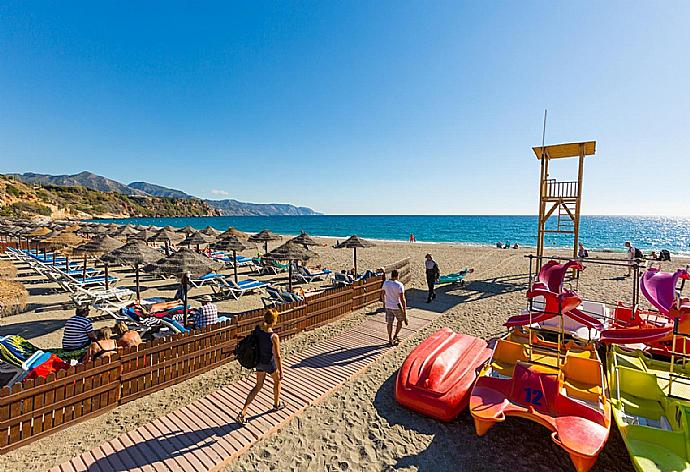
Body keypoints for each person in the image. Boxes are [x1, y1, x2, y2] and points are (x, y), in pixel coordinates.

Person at [237, 310, 285, 423]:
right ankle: (276, 404)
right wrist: (281, 370)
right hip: (269, 363)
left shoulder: (258, 329)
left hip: (258, 362)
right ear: (274, 321)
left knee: (258, 386)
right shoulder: (273, 336)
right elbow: (277, 356)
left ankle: (244, 411)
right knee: (277, 381)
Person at [382, 269, 407, 346]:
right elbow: (402, 299)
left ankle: (390, 338)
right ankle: (395, 335)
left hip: (388, 306)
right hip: (397, 306)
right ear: (397, 276)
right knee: (400, 321)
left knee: (389, 323)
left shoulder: (386, 283)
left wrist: (384, 303)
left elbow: (382, 294)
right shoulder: (399, 285)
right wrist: (404, 310)